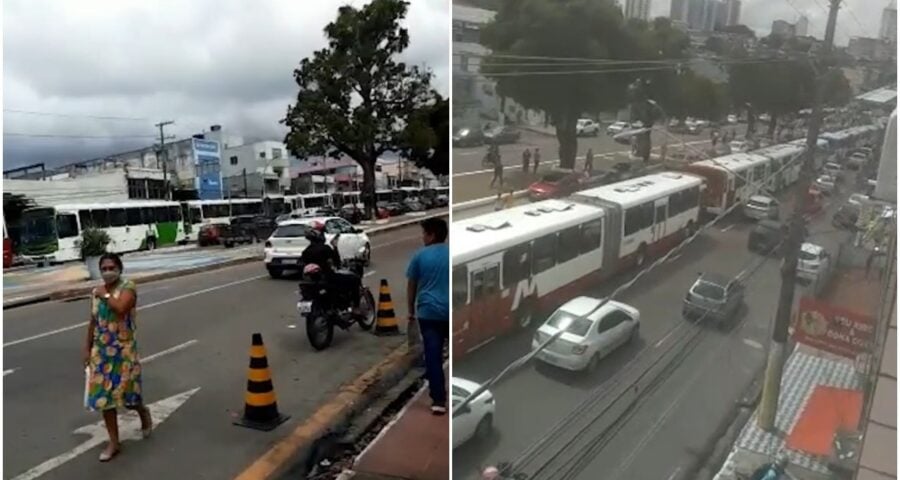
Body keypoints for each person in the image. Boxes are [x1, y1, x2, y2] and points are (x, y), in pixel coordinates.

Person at [83, 252, 152, 462]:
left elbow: (121, 308)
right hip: (101, 353)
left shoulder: (128, 287)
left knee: (129, 398)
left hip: (124, 351)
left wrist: (104, 294)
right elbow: (93, 322)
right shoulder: (96, 293)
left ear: (119, 268)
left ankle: (142, 412)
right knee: (105, 400)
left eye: (111, 267)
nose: (107, 272)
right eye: (103, 268)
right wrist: (87, 348)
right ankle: (114, 442)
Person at [406, 218, 449, 415]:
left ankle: (438, 400)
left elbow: (412, 285)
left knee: (433, 356)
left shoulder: (419, 256)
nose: (422, 237)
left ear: (431, 235)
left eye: (424, 233)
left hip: (428, 313)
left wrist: (410, 311)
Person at [300, 222, 361, 312]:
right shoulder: (325, 249)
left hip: (315, 282)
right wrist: (335, 247)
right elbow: (337, 263)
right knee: (355, 279)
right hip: (328, 279)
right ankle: (356, 308)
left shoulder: (305, 252)